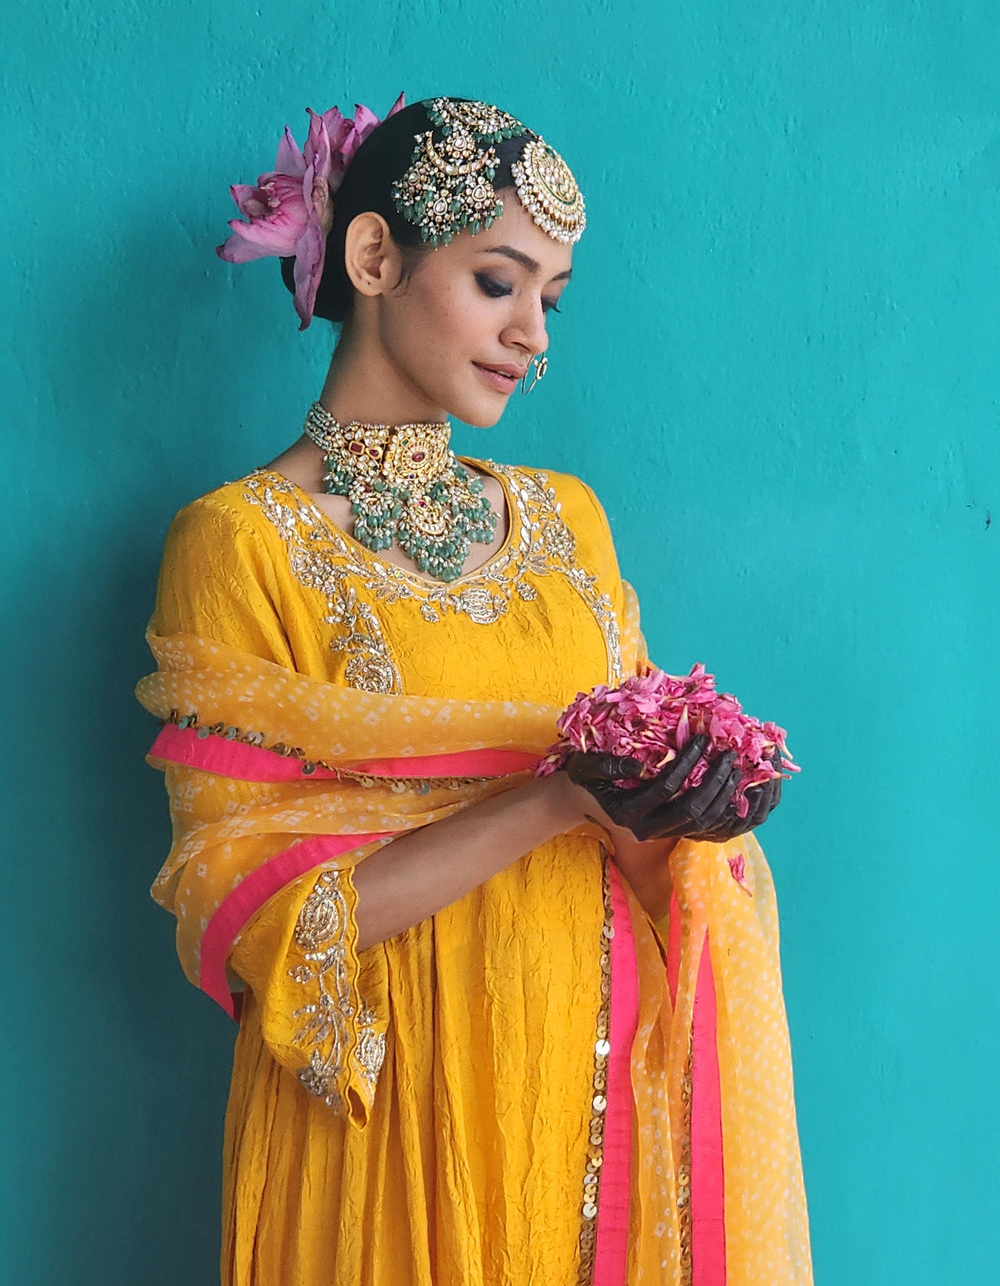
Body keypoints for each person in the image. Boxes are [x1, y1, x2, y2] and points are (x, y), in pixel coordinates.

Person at [138, 96, 813, 1286]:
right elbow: (252, 920)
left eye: (548, 300)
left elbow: (642, 854)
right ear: (374, 256)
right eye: (499, 282)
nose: (531, 334)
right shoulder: (243, 543)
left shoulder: (566, 523)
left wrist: (687, 816)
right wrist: (556, 800)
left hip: (581, 1093)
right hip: (386, 1130)